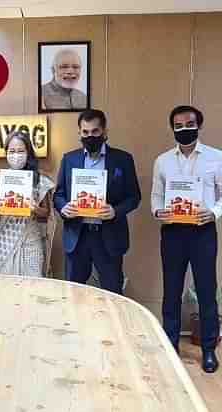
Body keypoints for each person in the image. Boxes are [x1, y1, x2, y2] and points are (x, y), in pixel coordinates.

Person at [151, 105, 222, 373]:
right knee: (171, 292)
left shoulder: (216, 157)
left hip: (203, 232)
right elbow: (156, 195)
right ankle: (170, 345)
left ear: (199, 126)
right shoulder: (162, 161)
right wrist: (157, 211)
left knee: (206, 292)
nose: (184, 129)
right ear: (172, 128)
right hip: (173, 232)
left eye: (189, 124)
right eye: (178, 125)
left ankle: (209, 350)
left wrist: (213, 213)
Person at [53, 109, 141, 294]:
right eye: (85, 132)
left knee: (113, 293)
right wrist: (63, 208)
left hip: (108, 237)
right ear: (79, 133)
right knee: (73, 293)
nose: (90, 136)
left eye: (95, 132)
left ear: (104, 132)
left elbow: (134, 197)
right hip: (77, 236)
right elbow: (58, 195)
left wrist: (115, 211)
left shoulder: (123, 159)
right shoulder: (69, 159)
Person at [0, 131, 56, 277]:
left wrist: (35, 208)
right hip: (5, 241)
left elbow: (46, 213)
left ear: (28, 153)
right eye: (12, 151)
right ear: (6, 153)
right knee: (7, 288)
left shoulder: (39, 178)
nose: (16, 155)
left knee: (33, 285)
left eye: (21, 151)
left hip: (31, 239)